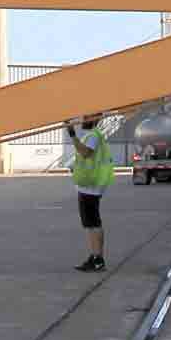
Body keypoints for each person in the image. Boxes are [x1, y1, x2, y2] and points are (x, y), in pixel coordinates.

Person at [67, 114, 115, 272]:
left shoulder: (93, 136)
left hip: (90, 186)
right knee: (92, 223)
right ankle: (96, 257)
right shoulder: (92, 135)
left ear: (93, 119)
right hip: (90, 185)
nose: (81, 120)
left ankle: (97, 258)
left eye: (85, 117)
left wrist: (72, 135)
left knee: (93, 223)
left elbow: (86, 153)